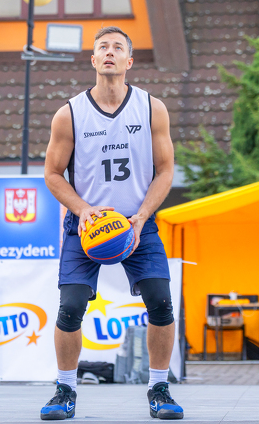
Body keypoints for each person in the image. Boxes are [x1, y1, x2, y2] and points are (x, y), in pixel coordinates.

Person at [42, 26, 181, 420]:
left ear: (129, 61)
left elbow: (166, 169)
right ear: (93, 59)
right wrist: (83, 209)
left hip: (137, 221)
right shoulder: (69, 114)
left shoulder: (152, 108)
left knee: (161, 301)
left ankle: (159, 388)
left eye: (118, 47)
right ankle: (65, 390)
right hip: (86, 225)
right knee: (70, 307)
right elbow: (52, 174)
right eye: (102, 47)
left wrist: (143, 215)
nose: (109, 52)